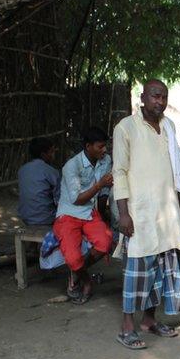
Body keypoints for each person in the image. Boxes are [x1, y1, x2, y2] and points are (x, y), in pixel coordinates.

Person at [112, 79, 180, 350]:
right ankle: (127, 327)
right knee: (137, 270)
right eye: (155, 96)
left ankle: (148, 320)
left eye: (164, 97)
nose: (160, 101)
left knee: (162, 267)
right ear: (142, 98)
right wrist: (123, 213)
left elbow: (176, 171)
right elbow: (119, 172)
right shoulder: (126, 128)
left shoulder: (169, 126)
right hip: (140, 211)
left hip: (166, 210)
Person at [52, 127, 114, 304]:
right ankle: (85, 280)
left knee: (105, 241)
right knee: (72, 256)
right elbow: (77, 199)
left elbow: (103, 192)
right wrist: (100, 184)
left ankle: (76, 272)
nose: (104, 150)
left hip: (89, 212)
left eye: (105, 146)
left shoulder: (105, 161)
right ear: (88, 146)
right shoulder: (72, 166)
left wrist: (103, 215)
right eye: (100, 147)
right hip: (69, 214)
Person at [17, 137, 61, 225]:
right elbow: (59, 200)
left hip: (25, 217)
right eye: (51, 152)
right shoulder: (51, 171)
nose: (53, 155)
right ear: (43, 154)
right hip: (46, 218)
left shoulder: (22, 170)